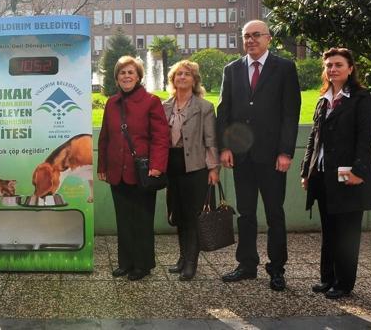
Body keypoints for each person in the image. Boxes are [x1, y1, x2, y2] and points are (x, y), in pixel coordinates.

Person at [216, 19, 301, 291]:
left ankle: (276, 268)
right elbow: (224, 111)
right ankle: (247, 265)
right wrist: (225, 147)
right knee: (246, 213)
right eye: (246, 36)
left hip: (273, 157)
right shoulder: (232, 70)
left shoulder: (285, 68)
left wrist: (286, 151)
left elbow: (291, 113)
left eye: (256, 35)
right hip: (242, 157)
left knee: (275, 213)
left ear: (268, 38)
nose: (251, 40)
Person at [300, 48, 371, 300]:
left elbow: (365, 139)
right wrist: (306, 171)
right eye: (328, 65)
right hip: (323, 175)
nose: (332, 69)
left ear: (350, 68)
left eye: (338, 64)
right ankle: (327, 279)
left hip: (349, 176)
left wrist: (358, 171)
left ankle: (344, 284)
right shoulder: (323, 98)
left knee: (347, 233)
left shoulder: (360, 98)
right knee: (329, 230)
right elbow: (314, 138)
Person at [97, 56, 169, 281]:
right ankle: (125, 262)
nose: (126, 76)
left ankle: (143, 264)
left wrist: (157, 166)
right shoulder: (112, 102)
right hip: (117, 172)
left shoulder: (151, 101)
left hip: (142, 173)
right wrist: (103, 167)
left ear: (138, 76)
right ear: (116, 78)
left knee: (142, 220)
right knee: (124, 220)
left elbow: (160, 137)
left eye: (130, 72)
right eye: (122, 73)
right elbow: (105, 137)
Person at [162, 60, 219, 281]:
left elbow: (211, 139)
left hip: (196, 167)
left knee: (193, 216)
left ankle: (191, 263)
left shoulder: (204, 107)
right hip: (172, 166)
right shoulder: (165, 105)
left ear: (194, 80)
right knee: (178, 214)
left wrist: (213, 168)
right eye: (178, 74)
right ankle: (182, 256)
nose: (182, 78)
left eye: (187, 74)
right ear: (172, 80)